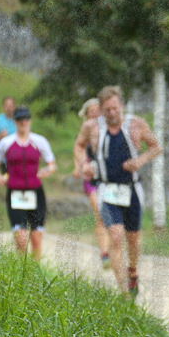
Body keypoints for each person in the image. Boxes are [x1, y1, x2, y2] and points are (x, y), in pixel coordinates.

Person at [74, 86, 161, 297]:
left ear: (121, 105)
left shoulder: (136, 124)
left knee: (134, 240)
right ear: (101, 110)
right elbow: (78, 145)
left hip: (131, 189)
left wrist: (139, 161)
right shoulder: (92, 127)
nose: (111, 113)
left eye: (114, 108)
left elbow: (156, 147)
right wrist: (83, 165)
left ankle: (132, 270)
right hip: (106, 188)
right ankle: (123, 292)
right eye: (107, 110)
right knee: (116, 236)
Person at [0, 105, 57, 259]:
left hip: (36, 193)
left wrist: (47, 170)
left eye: (26, 118)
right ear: (15, 121)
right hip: (15, 193)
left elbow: (52, 163)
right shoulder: (6, 143)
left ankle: (36, 272)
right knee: (21, 238)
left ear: (30, 120)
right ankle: (21, 270)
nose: (23, 122)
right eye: (19, 119)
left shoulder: (39, 141)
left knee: (36, 238)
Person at [71, 98, 111, 269]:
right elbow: (77, 149)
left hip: (109, 178)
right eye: (92, 111)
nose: (95, 113)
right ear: (86, 115)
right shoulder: (86, 131)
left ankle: (113, 247)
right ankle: (105, 254)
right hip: (92, 179)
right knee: (100, 212)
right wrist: (79, 166)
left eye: (98, 110)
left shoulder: (110, 129)